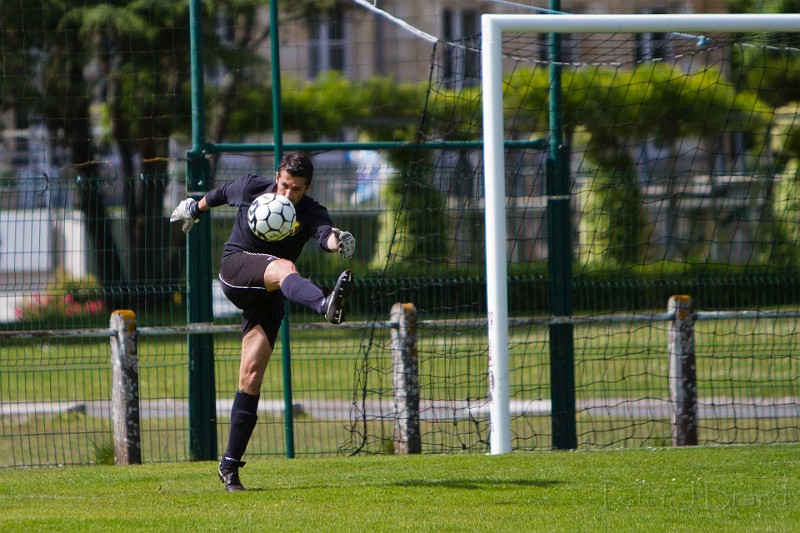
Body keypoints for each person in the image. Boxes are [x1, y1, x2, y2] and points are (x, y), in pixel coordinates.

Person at [170, 152, 355, 492]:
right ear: (276, 177)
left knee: (251, 375)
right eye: (284, 185)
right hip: (237, 269)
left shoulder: (312, 211)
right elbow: (221, 193)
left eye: (296, 189)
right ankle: (324, 303)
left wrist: (338, 241)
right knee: (285, 267)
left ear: (308, 187)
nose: (287, 195)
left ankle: (229, 466)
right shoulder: (253, 187)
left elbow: (325, 235)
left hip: (269, 295)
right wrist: (194, 209)